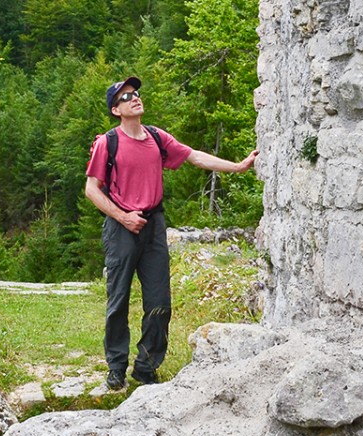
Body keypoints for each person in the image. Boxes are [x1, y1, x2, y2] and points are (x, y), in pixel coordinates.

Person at [84, 75, 258, 390]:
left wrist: (237, 166)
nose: (134, 98)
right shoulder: (106, 142)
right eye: (125, 97)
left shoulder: (156, 137)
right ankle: (116, 367)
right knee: (118, 300)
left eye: (135, 93)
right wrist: (123, 218)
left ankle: (146, 368)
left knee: (159, 300)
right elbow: (92, 189)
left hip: (153, 225)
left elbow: (193, 156)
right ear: (115, 110)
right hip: (121, 227)